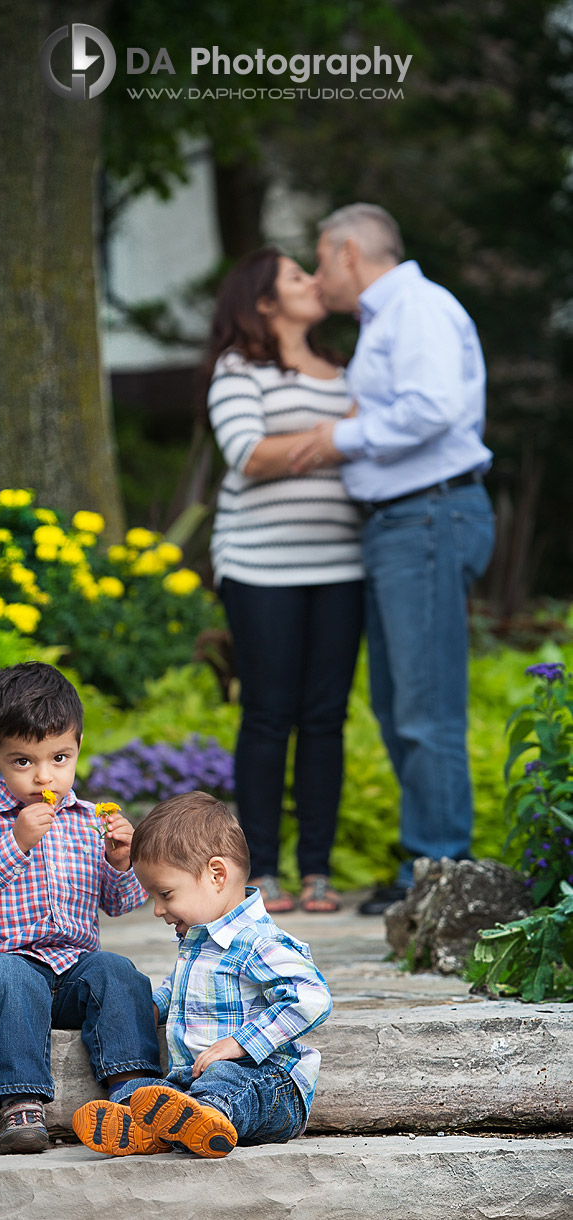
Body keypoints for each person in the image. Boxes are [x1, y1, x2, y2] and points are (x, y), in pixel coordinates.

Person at [291, 203, 496, 915]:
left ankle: (437, 870)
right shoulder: (391, 318)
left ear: (349, 252)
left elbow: (432, 407)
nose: (319, 278)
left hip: (426, 515)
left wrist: (338, 439)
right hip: (401, 521)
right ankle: (424, 860)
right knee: (396, 702)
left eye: (320, 261)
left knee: (424, 705)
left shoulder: (415, 308)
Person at [0, 661, 163, 1154]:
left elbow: (117, 902)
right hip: (0, 977)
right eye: (23, 762)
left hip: (71, 974)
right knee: (12, 978)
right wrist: (13, 845)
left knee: (117, 971)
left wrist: (123, 862)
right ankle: (19, 1103)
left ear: (78, 747)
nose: (44, 775)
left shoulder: (88, 821)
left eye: (60, 758)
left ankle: (135, 1089)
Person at [205, 246, 364, 914]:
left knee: (324, 718)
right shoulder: (238, 369)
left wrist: (314, 441)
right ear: (264, 301)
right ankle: (262, 869)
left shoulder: (346, 371)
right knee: (268, 716)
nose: (314, 281)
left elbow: (374, 444)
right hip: (258, 566)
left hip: (342, 565)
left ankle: (317, 873)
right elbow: (248, 454)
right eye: (298, 276)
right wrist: (337, 436)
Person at [71, 792, 332, 1159]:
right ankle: (148, 1125)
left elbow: (312, 996)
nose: (158, 909)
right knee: (152, 1089)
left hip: (269, 1084)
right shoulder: (199, 938)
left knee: (225, 1080)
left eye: (165, 894)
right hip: (195, 1082)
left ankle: (202, 1120)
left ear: (216, 874)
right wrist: (150, 1008)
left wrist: (241, 1043)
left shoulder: (257, 940)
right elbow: (177, 987)